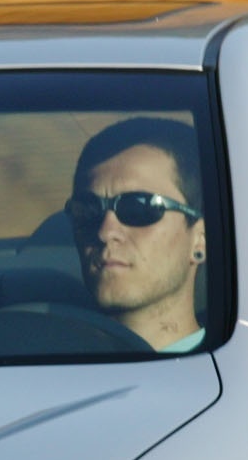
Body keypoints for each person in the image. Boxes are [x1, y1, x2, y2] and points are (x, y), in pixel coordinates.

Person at [67, 117, 208, 351]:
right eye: (88, 209)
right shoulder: (45, 364)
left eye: (139, 208)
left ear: (199, 239)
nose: (106, 231)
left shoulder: (245, 372)